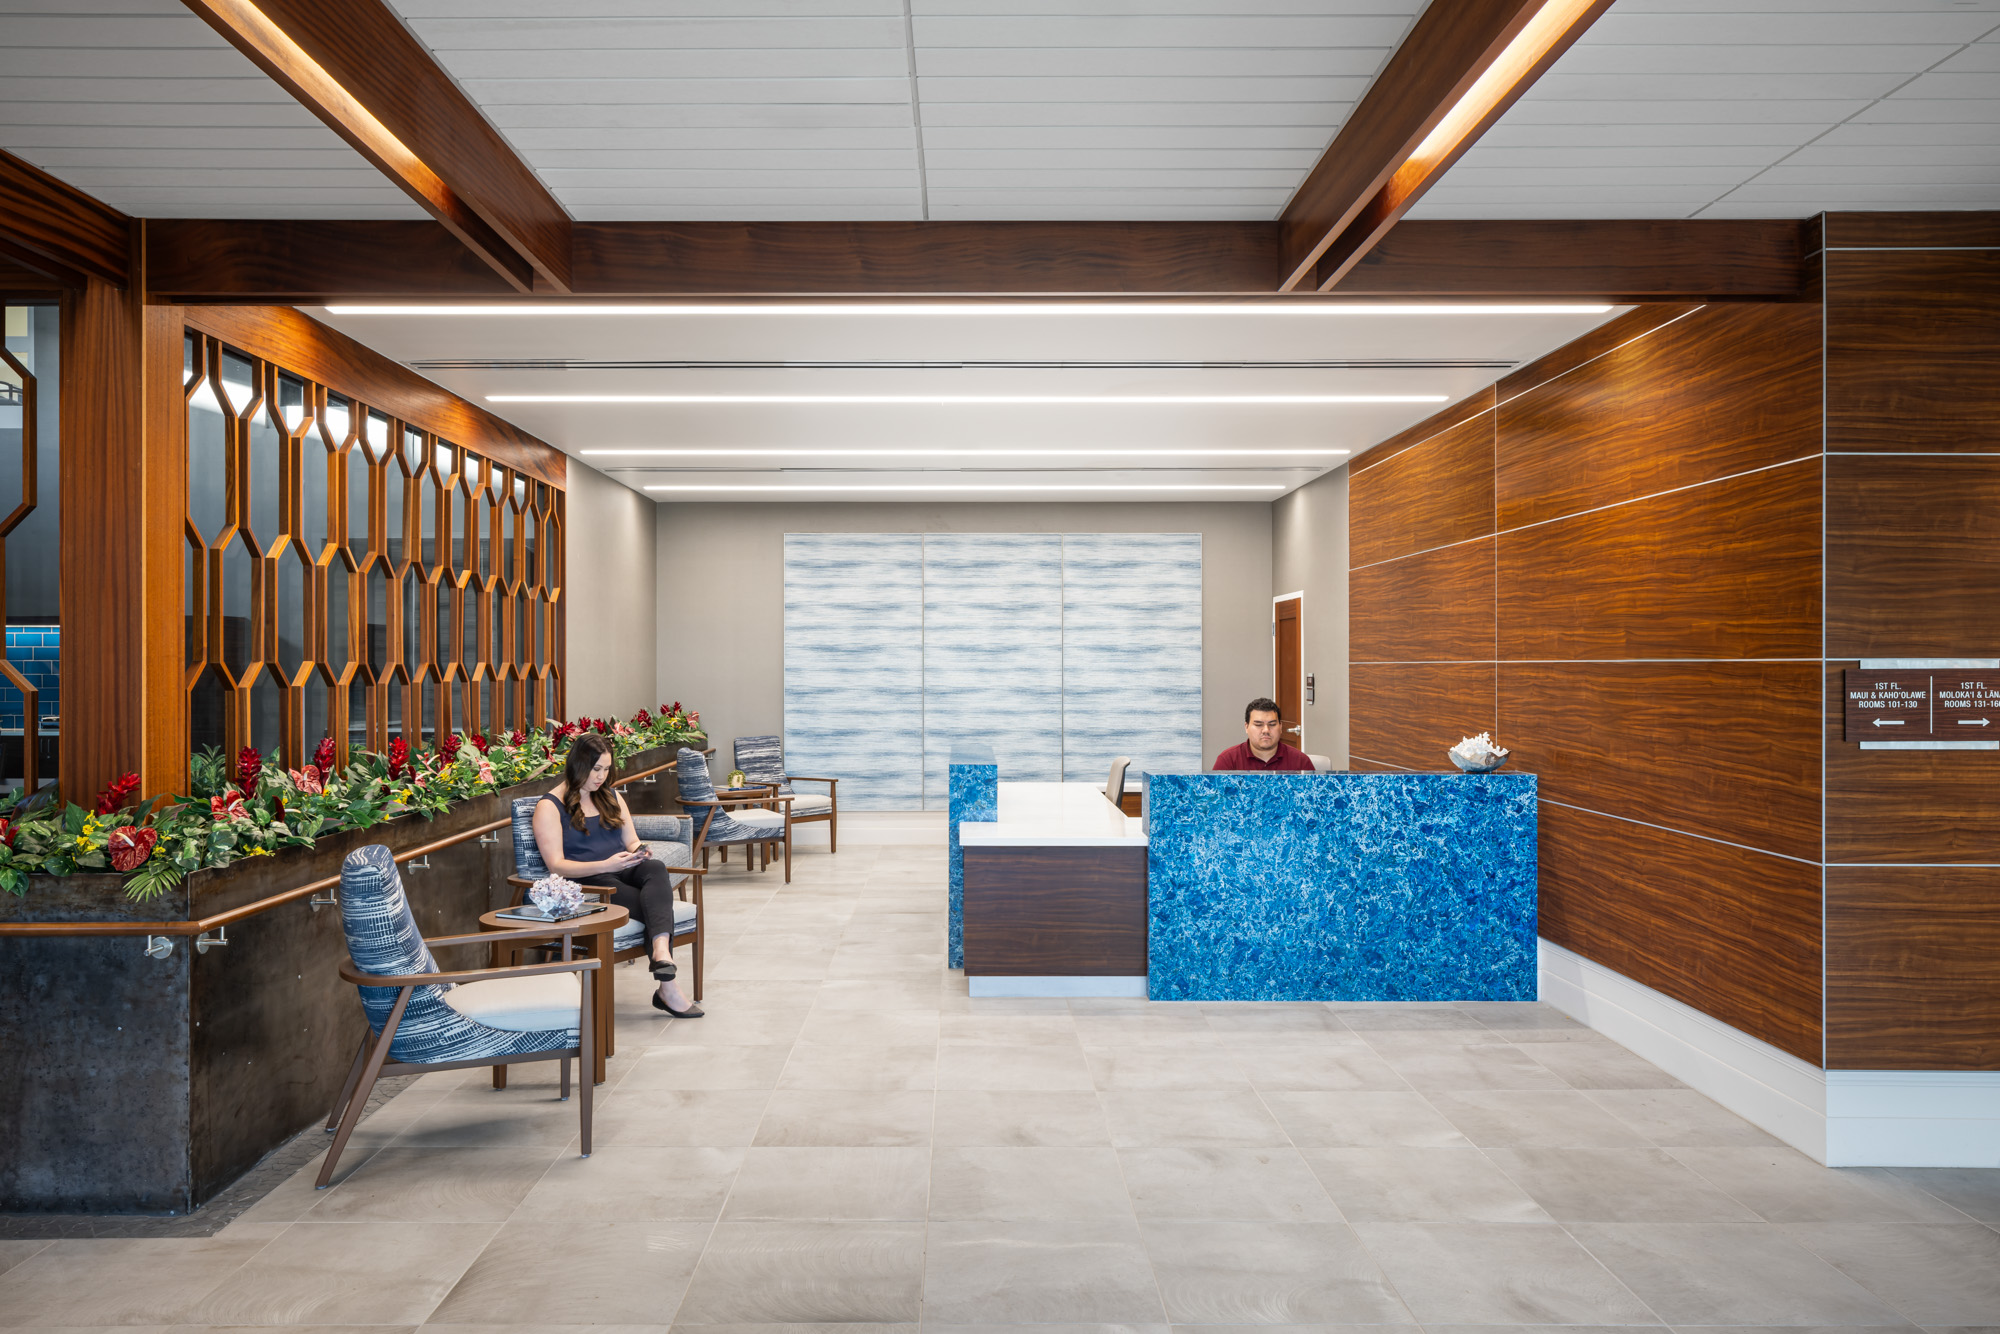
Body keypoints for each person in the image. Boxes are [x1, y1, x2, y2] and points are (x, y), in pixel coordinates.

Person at [532, 731, 702, 1018]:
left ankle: (661, 953)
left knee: (655, 867)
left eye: (606, 769)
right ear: (578, 765)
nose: (601, 776)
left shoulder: (610, 796)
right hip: (589, 880)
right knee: (654, 906)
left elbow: (631, 841)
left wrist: (640, 851)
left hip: (621, 866)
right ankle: (668, 987)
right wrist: (606, 865)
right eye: (596, 769)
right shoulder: (549, 806)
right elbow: (557, 866)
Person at [1212, 697, 1316, 771]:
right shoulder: (1228, 760)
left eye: (1272, 724)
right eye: (1258, 725)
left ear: (1280, 727)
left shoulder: (1300, 761)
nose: (1266, 730)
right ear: (1246, 727)